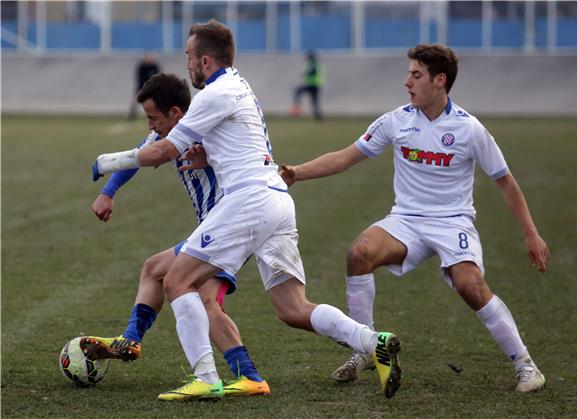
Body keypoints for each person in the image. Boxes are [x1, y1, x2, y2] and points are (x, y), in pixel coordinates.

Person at [92, 19, 401, 401]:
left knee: (176, 281)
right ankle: (372, 341)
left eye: (189, 56)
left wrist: (105, 162)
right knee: (291, 308)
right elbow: (195, 141)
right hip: (275, 200)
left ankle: (205, 377)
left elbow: (161, 150)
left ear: (204, 60)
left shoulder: (211, 97)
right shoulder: (240, 86)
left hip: (245, 202)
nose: (187, 65)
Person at [280, 44, 549, 393]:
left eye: (416, 75)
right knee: (358, 252)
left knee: (471, 286)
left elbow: (506, 182)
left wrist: (531, 234)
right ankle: (366, 347)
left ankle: (525, 364)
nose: (407, 82)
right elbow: (346, 157)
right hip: (406, 221)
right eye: (409, 73)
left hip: (453, 223)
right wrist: (296, 173)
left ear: (440, 81)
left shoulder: (470, 129)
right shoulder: (396, 120)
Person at [84, 72, 270, 396]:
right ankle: (249, 377)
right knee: (171, 279)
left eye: (154, 118)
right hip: (220, 228)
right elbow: (137, 159)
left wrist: (106, 163)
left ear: (176, 114)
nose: (150, 126)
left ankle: (225, 377)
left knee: (180, 284)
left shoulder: (206, 131)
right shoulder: (171, 136)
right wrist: (108, 192)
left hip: (228, 225)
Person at [291, 50, 324, 120]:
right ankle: (318, 116)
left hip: (313, 85)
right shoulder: (315, 64)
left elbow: (313, 71)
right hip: (314, 85)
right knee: (314, 101)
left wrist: (306, 73)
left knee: (297, 91)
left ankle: (297, 107)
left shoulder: (314, 63)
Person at [128, 52, 161, 120]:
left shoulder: (155, 66)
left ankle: (158, 114)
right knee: (135, 100)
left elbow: (157, 77)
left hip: (153, 87)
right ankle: (132, 116)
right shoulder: (141, 67)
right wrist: (141, 89)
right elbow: (140, 79)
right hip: (142, 86)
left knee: (157, 101)